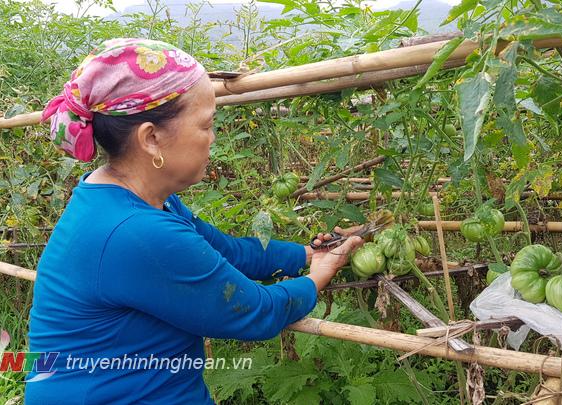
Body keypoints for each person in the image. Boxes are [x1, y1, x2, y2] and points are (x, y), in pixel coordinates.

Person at [25, 38, 363, 404]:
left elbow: (229, 252)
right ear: (151, 138)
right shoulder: (137, 232)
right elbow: (254, 311)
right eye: (206, 125)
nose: (212, 139)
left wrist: (307, 254)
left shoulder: (132, 199)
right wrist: (318, 277)